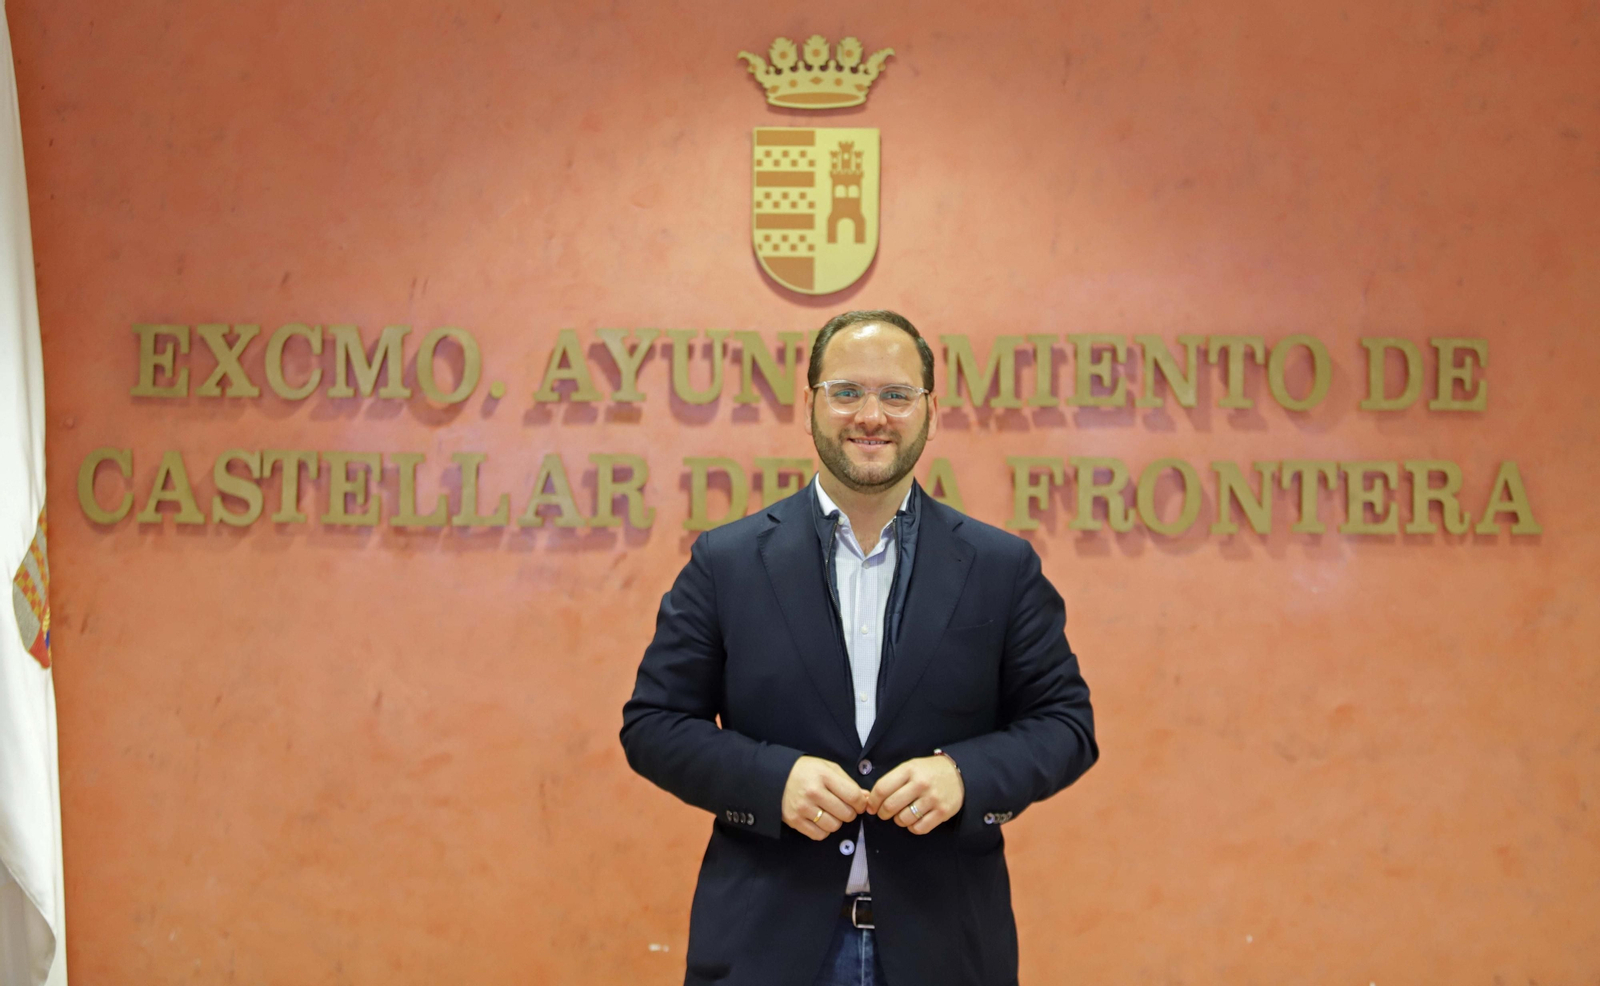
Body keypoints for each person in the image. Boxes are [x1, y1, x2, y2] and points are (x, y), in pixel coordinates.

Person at [620, 310, 1097, 986]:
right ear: (809, 403)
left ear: (930, 413)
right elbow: (654, 725)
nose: (871, 415)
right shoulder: (726, 562)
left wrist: (963, 775)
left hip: (946, 950)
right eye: (846, 391)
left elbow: (1065, 725)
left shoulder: (999, 565)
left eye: (896, 395)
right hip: (766, 949)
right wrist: (771, 779)